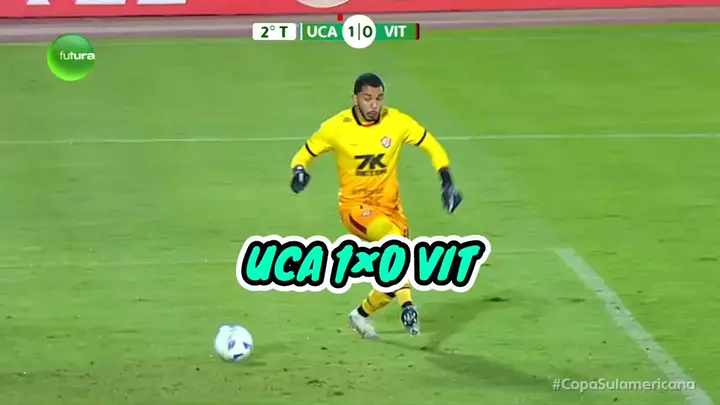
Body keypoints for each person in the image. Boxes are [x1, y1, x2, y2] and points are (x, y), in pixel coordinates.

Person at [288, 73, 462, 339]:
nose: (374, 105)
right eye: (367, 98)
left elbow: (431, 145)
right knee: (395, 246)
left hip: (391, 209)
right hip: (355, 208)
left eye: (379, 98)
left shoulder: (397, 122)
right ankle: (408, 306)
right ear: (355, 99)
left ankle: (360, 315)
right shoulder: (336, 127)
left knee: (398, 270)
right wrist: (299, 171)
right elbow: (304, 154)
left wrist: (446, 181)